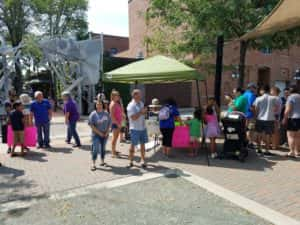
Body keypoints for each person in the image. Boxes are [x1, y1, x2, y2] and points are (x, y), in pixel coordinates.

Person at [253, 85, 277, 156]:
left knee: (259, 134)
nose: (260, 91)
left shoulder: (258, 98)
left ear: (263, 90)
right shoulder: (273, 98)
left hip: (260, 118)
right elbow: (275, 108)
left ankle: (259, 149)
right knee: (268, 135)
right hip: (270, 119)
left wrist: (255, 117)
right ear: (269, 90)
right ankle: (267, 150)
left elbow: (256, 109)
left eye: (260, 90)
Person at [127, 89, 148, 168]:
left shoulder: (141, 103)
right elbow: (133, 118)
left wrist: (144, 112)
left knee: (143, 145)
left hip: (142, 127)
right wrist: (141, 112)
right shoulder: (131, 105)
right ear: (134, 95)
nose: (140, 96)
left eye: (140, 94)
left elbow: (143, 114)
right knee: (132, 145)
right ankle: (131, 161)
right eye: (139, 95)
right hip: (134, 128)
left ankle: (143, 160)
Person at [88, 100, 111, 171]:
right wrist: (99, 133)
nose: (99, 105)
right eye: (97, 104)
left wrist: (107, 132)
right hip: (96, 135)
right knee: (95, 149)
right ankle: (93, 163)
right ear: (95, 105)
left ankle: (102, 161)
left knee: (103, 149)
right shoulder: (93, 114)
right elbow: (91, 125)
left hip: (105, 134)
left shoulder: (106, 113)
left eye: (100, 104)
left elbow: (109, 123)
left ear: (102, 105)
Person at [282, 85, 300, 158]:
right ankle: (297, 151)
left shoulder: (290, 97)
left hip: (293, 118)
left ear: (291, 90)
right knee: (298, 136)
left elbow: (288, 109)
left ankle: (291, 152)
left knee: (290, 136)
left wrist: (284, 118)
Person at [243, 83, 257, 149]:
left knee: (245, 128)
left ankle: (245, 141)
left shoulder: (244, 94)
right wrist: (255, 114)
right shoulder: (252, 95)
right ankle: (250, 143)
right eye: (254, 88)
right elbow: (252, 106)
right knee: (250, 129)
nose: (255, 89)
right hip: (250, 114)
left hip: (244, 114)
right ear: (251, 88)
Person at [109, 90, 123, 157]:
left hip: (118, 123)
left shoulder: (116, 103)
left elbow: (119, 112)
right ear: (114, 96)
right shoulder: (113, 104)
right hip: (115, 123)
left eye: (119, 95)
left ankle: (114, 150)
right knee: (114, 138)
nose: (119, 96)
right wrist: (117, 123)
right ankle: (113, 153)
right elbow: (112, 116)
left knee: (116, 137)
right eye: (117, 95)